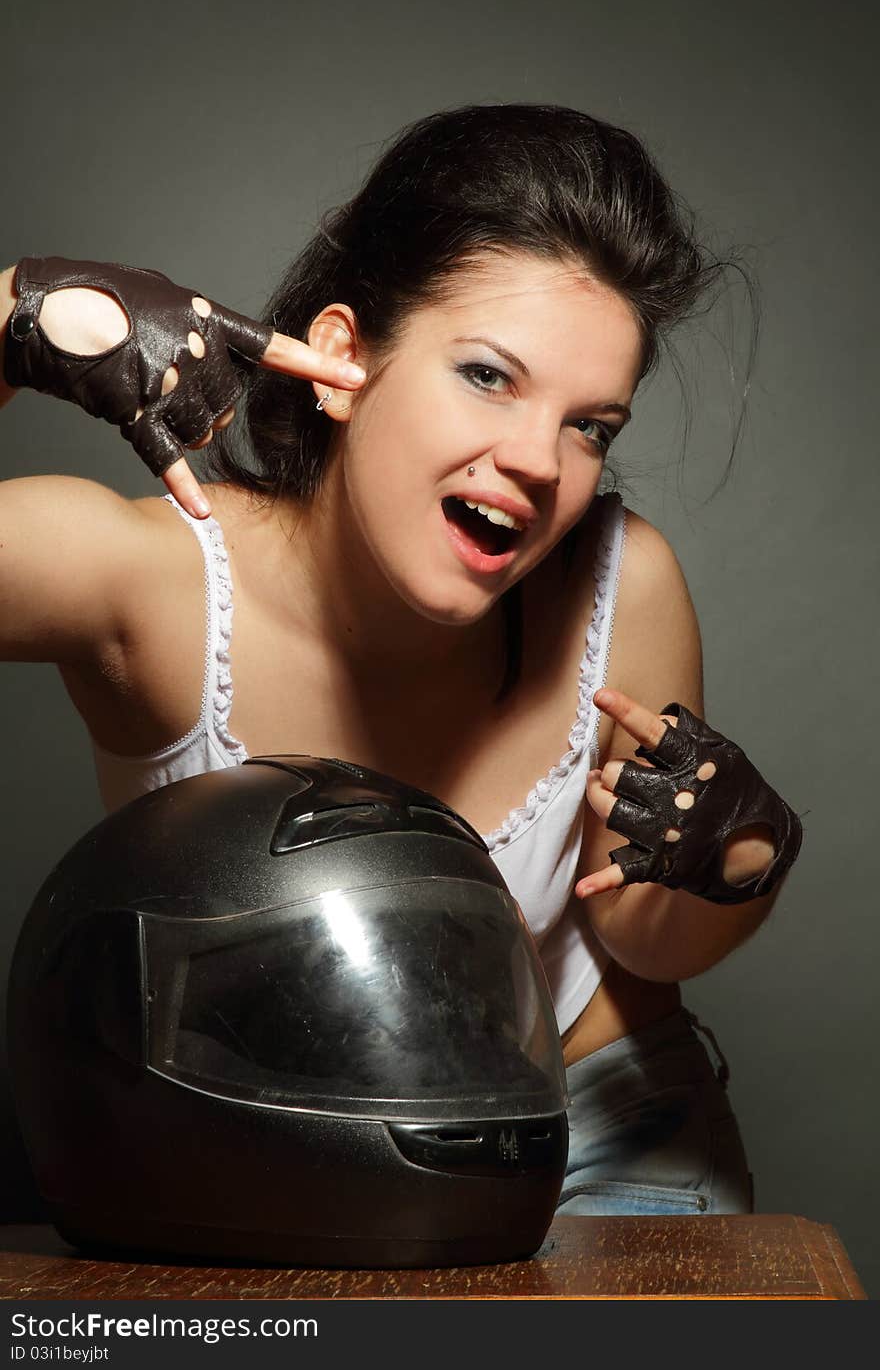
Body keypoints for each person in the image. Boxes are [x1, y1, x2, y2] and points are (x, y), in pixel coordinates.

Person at [0, 103, 802, 1217]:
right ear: (340, 360)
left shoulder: (627, 580)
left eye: (592, 425)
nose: (537, 460)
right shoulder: (149, 583)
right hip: (232, 1146)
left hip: (595, 1142)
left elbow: (643, 933)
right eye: (487, 375)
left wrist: (736, 866)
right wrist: (14, 314)